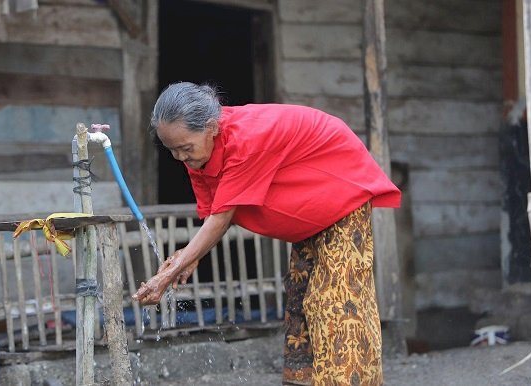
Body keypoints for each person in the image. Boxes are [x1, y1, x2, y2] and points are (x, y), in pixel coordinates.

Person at [132, 81, 400, 386]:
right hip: (311, 215)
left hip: (341, 193)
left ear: (211, 128)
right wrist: (190, 257)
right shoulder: (199, 154)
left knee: (335, 300)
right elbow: (212, 211)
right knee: (300, 299)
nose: (180, 158)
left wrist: (168, 274)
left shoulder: (246, 139)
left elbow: (221, 218)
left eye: (185, 148)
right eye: (172, 150)